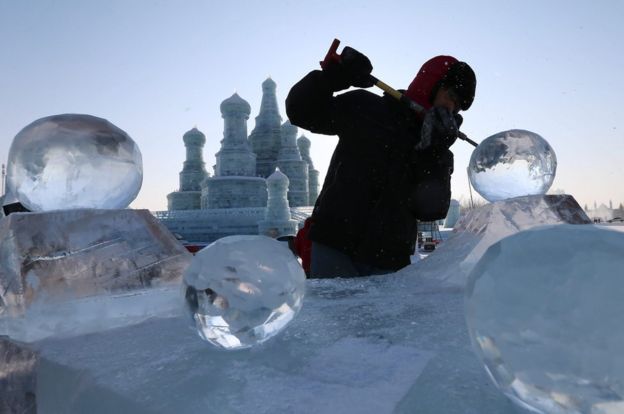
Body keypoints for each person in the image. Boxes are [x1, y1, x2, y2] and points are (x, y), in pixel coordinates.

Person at [285, 46, 476, 278]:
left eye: (457, 106)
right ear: (431, 86)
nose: (451, 108)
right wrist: (333, 77)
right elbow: (301, 110)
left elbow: (430, 210)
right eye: (451, 97)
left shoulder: (435, 150)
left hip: (388, 263)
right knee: (333, 313)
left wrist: (434, 151)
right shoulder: (366, 108)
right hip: (334, 245)